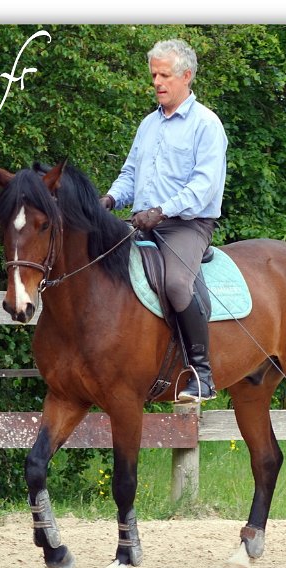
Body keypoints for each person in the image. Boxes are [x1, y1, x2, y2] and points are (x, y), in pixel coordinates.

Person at [100, 38, 228, 403]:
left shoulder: (207, 125)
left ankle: (202, 375)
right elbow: (130, 174)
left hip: (186, 225)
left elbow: (203, 187)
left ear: (186, 76)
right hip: (142, 221)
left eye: (165, 75)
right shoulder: (148, 125)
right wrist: (109, 198)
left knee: (175, 284)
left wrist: (162, 211)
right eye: (154, 74)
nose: (157, 81)